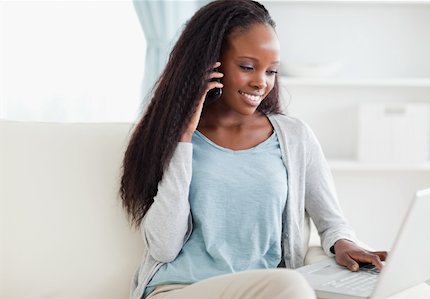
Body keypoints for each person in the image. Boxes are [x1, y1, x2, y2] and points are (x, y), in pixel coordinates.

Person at [120, 1, 387, 299]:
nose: (261, 82)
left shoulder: (295, 137)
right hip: (179, 289)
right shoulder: (171, 138)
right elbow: (164, 246)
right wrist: (182, 138)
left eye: (271, 71)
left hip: (261, 292)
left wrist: (344, 244)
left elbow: (332, 222)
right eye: (247, 67)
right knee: (291, 287)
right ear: (210, 63)